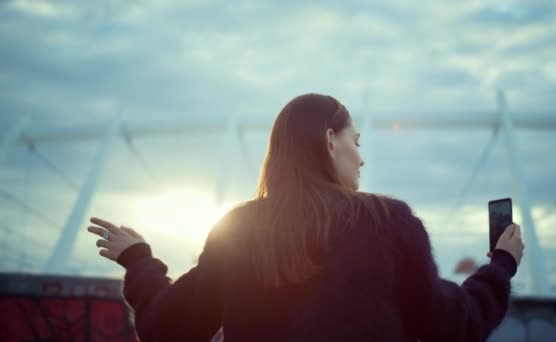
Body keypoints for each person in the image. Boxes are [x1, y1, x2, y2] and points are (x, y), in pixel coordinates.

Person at [87, 93, 525, 341]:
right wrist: (502, 265)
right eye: (358, 140)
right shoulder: (386, 222)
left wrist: (139, 260)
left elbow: (170, 328)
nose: (362, 158)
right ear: (331, 140)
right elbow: (454, 324)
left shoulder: (239, 229)